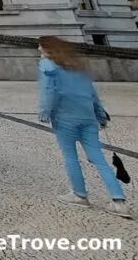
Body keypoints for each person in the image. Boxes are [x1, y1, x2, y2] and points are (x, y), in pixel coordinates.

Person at [37, 35, 130, 217]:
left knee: (70, 156)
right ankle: (119, 201)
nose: (38, 50)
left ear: (47, 49)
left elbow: (50, 91)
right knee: (98, 158)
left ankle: (80, 195)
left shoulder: (48, 66)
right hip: (88, 118)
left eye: (39, 47)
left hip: (64, 118)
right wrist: (101, 116)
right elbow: (93, 94)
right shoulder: (78, 68)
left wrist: (45, 112)